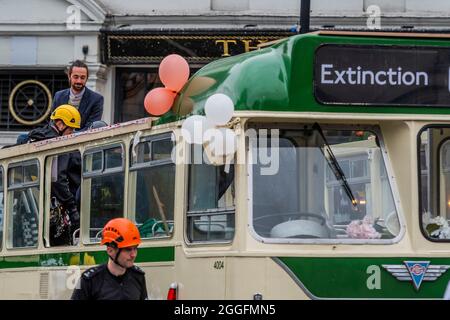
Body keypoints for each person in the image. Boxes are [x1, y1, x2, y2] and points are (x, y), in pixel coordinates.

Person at [71, 218, 148, 300]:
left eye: (135, 248)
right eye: (127, 249)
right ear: (110, 250)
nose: (133, 254)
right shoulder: (90, 280)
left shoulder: (138, 276)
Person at [51, 60, 104, 131]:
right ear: (69, 77)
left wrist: (71, 136)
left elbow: (91, 128)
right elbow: (52, 122)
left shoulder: (97, 99)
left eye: (82, 78)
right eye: (76, 77)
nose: (79, 81)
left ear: (86, 79)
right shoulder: (59, 96)